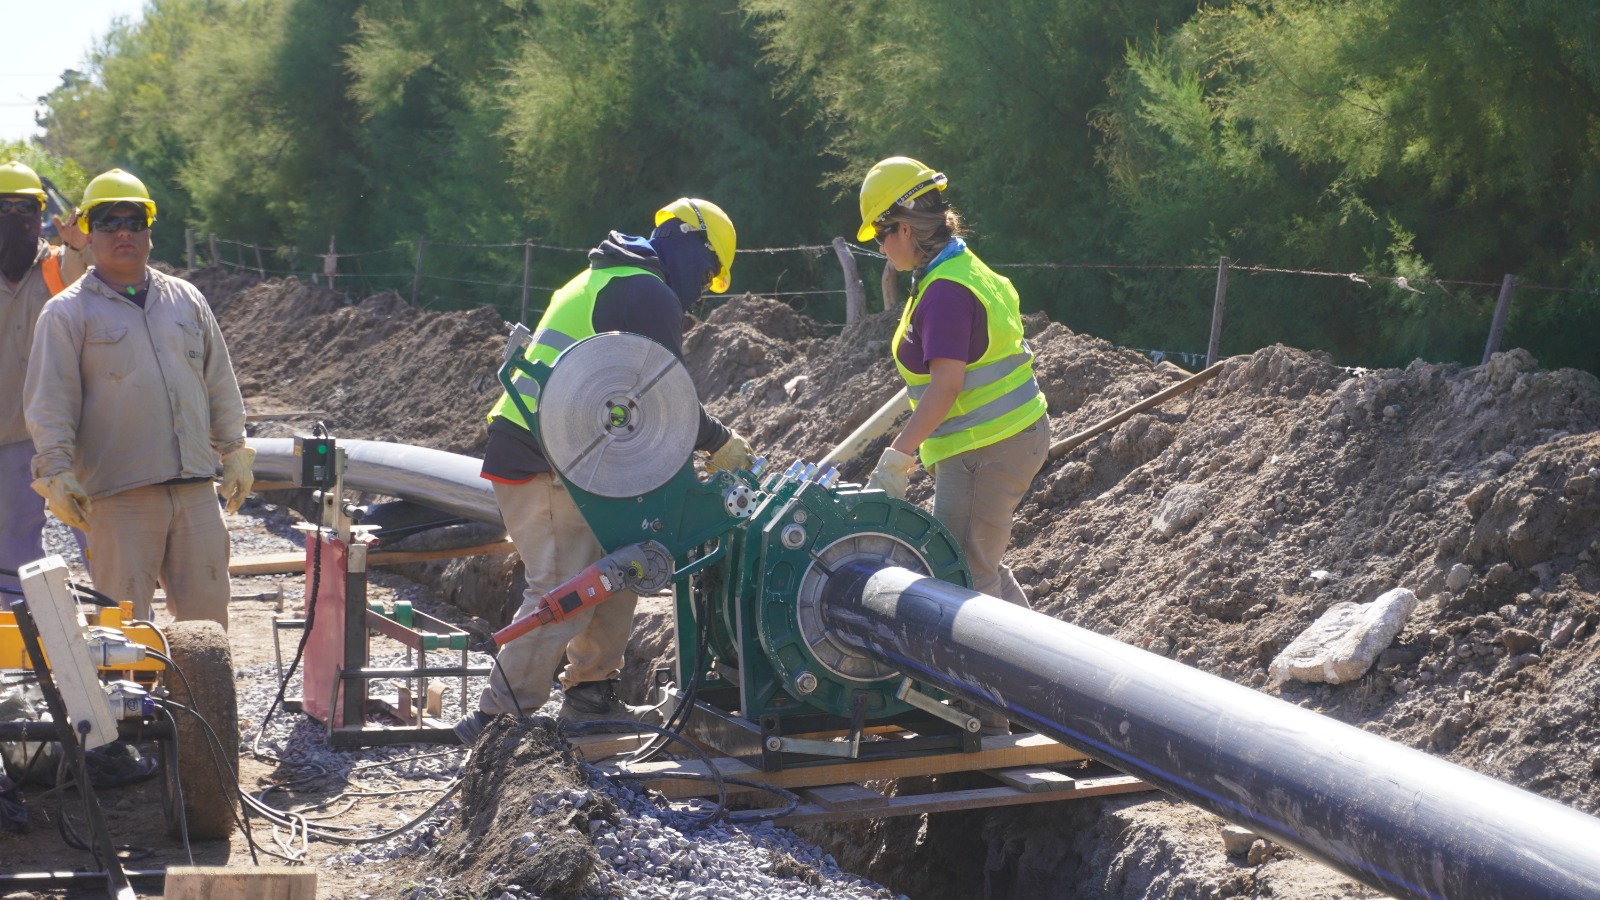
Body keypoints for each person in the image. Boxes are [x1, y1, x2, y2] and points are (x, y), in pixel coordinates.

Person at [457, 198, 751, 744]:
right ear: (692, 245)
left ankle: (591, 695)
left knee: (620, 570)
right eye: (710, 271)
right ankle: (498, 720)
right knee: (565, 588)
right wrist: (720, 443)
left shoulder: (605, 278)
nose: (706, 288)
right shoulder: (647, 293)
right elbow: (669, 402)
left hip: (563, 450)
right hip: (543, 455)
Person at [858, 157, 1050, 734]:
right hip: (991, 441)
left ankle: (992, 713)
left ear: (906, 230)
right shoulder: (956, 270)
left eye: (880, 236)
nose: (880, 249)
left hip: (987, 449)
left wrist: (899, 456)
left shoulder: (945, 290)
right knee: (978, 563)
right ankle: (1045, 682)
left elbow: (946, 385)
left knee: (964, 572)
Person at [23, 168, 254, 627]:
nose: (123, 232)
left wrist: (235, 449)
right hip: (118, 497)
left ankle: (202, 701)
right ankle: (129, 701)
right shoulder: (67, 313)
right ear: (87, 231)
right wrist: (56, 470)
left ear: (150, 230)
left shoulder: (186, 299)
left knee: (206, 626)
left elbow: (218, 382)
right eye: (108, 221)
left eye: (134, 221)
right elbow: (50, 402)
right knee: (123, 633)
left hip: (194, 493)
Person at [0, 161, 91, 595]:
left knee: (101, 534)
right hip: (7, 436)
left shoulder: (59, 265)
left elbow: (90, 282)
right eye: (4, 207)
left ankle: (127, 630)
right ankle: (18, 648)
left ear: (40, 213)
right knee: (12, 554)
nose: (15, 217)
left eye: (26, 208)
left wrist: (77, 248)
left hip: (71, 432)